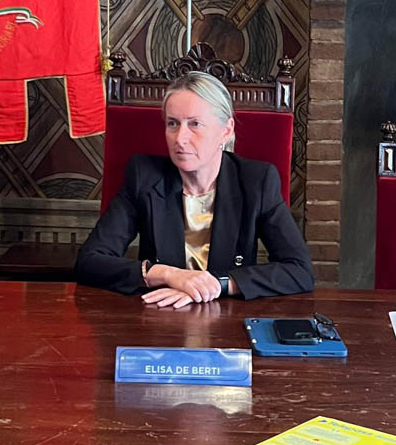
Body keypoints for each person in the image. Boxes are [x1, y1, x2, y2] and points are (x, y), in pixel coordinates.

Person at [75, 71, 313, 306]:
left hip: (228, 316)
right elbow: (90, 261)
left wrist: (216, 285)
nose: (180, 138)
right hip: (159, 313)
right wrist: (168, 274)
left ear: (226, 130)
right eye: (173, 123)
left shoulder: (257, 181)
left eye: (195, 124)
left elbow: (299, 270)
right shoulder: (143, 176)